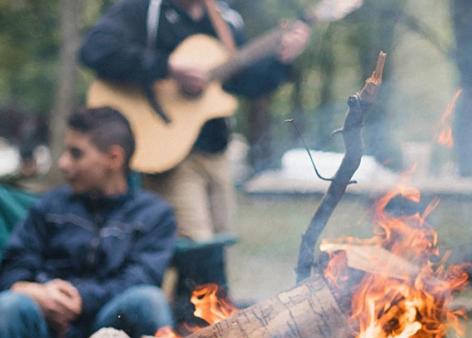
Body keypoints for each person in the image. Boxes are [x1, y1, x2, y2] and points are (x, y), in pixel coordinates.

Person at [79, 0, 309, 241]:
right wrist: (166, 67)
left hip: (215, 152)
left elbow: (247, 84)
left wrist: (282, 60)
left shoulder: (225, 19)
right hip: (166, 150)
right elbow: (95, 50)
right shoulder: (144, 9)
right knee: (194, 244)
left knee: (221, 242)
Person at [0, 107, 176, 338]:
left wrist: (81, 298)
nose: (63, 163)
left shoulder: (154, 214)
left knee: (149, 301)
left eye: (76, 154)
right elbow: (15, 265)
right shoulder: (49, 206)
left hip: (109, 322)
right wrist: (36, 292)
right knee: (9, 306)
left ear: (113, 158)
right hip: (45, 321)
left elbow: (141, 277)